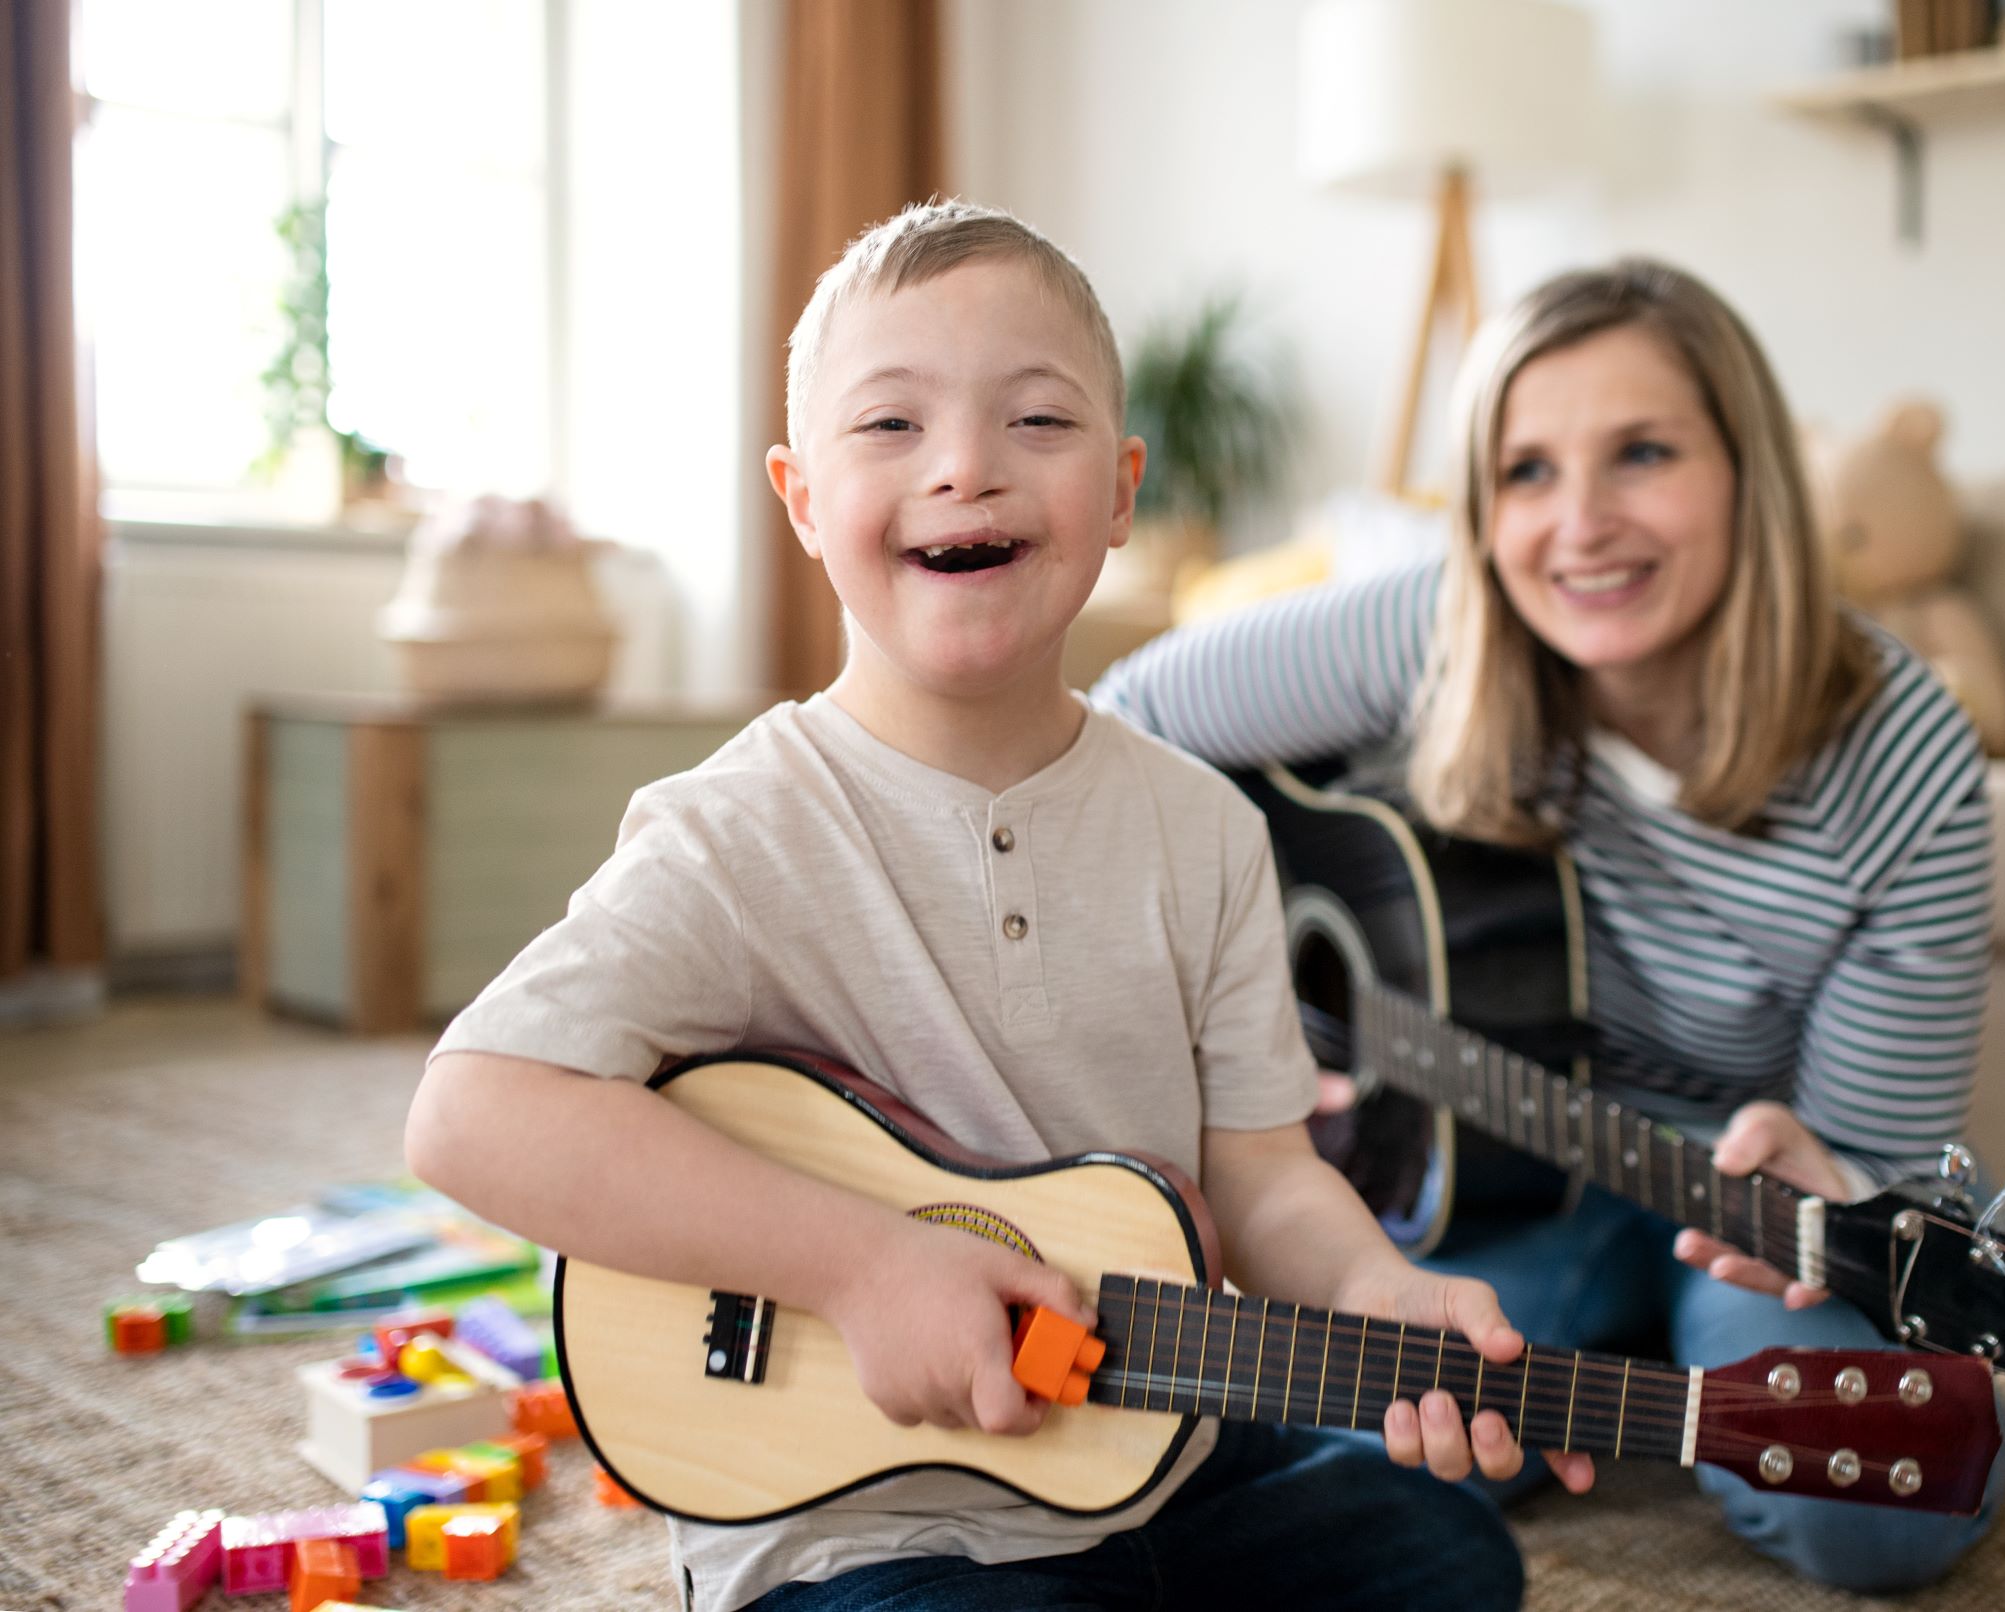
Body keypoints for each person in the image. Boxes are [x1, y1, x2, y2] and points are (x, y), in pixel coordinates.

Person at [402, 201, 1548, 1612]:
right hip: (855, 1528)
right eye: (889, 426)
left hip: (1149, 1450)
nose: (964, 470)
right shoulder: (735, 830)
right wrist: (868, 1267)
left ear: (1120, 491)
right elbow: (469, 1111)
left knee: (1444, 1556)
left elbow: (1259, 1178)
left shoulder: (1206, 830)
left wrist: (1373, 1291)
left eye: (1036, 423)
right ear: (802, 498)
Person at [1093, 257, 2005, 1594]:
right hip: (1480, 1165)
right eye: (1525, 471)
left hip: (1731, 1205)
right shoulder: (1435, 629)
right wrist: (1239, 1017)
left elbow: (1873, 1147)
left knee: (1866, 1507)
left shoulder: (1902, 752)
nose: (1578, 523)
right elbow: (1126, 722)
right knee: (1325, 1451)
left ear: (1745, 473)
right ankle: (1619, 1348)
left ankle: (1666, 1332)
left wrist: (1840, 1183)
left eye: (1639, 453)